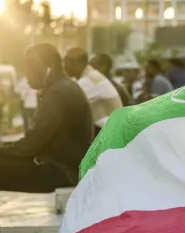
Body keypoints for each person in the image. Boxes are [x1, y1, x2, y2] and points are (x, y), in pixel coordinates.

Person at [0, 44, 92, 193]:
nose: (25, 72)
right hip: (65, 169)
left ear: (48, 68)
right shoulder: (62, 87)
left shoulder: (58, 93)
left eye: (30, 66)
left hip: (61, 172)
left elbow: (30, 146)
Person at [64, 48, 123, 134]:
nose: (64, 67)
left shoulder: (89, 80)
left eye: (67, 63)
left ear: (79, 64)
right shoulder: (89, 75)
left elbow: (66, 105)